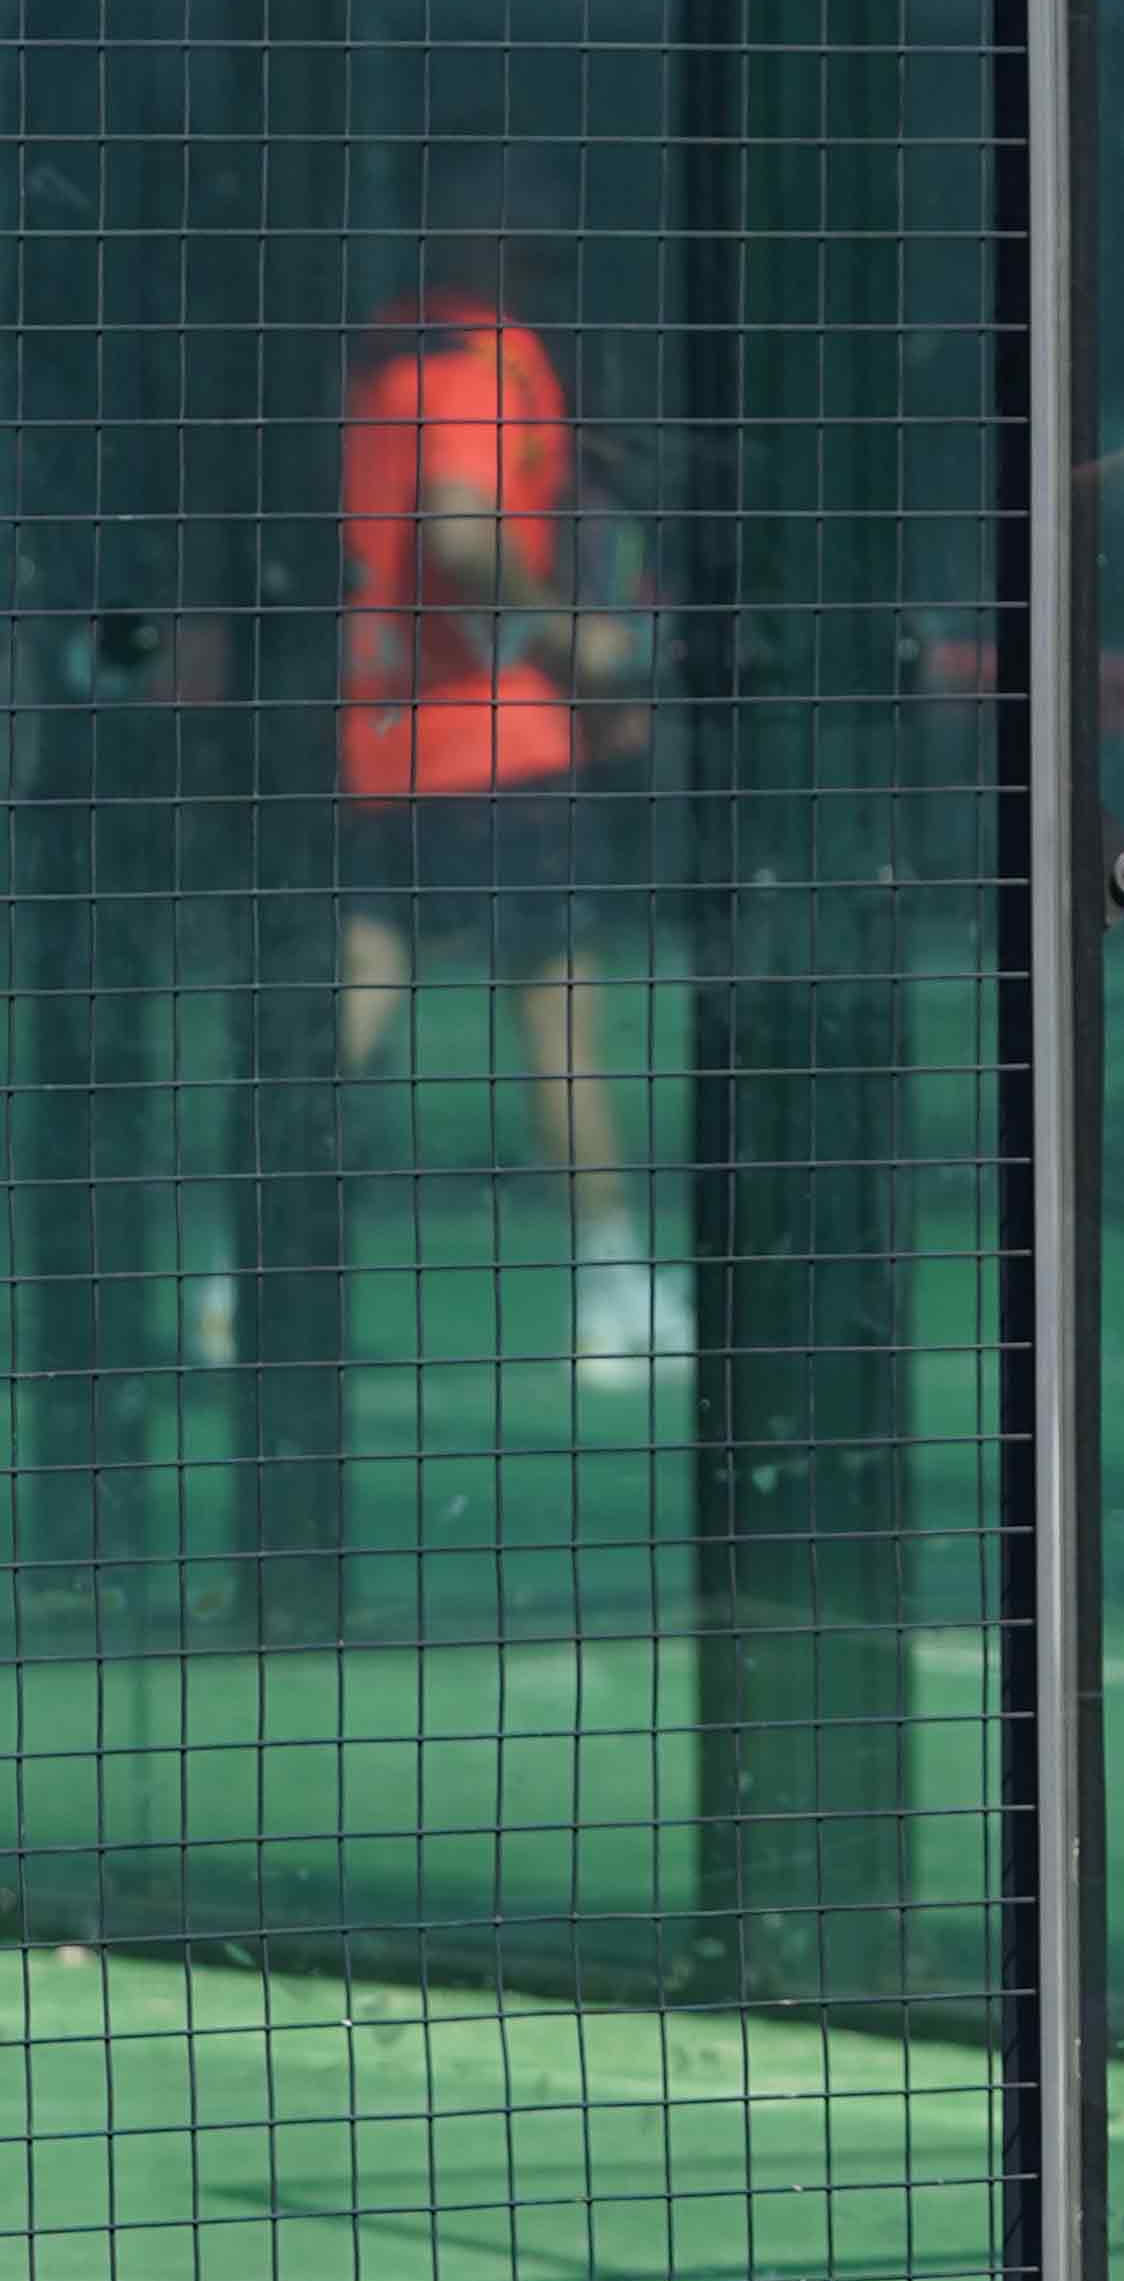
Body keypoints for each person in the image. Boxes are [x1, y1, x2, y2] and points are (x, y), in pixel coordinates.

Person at [330, 137, 679, 1384]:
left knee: (352, 998)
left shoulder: (381, 346)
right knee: (560, 1013)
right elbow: (464, 532)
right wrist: (577, 642)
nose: (541, 212)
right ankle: (617, 1295)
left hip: (375, 735)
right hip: (497, 740)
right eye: (511, 188)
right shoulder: (485, 354)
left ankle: (241, 1274)